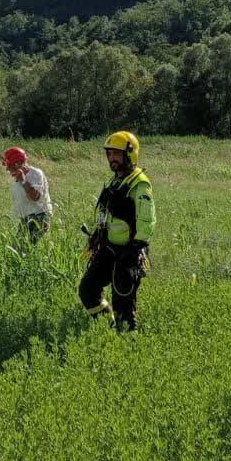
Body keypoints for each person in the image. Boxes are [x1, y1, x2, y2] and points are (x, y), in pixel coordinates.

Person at [79, 130, 155, 331]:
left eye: (116, 154)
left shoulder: (140, 184)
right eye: (109, 154)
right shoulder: (114, 182)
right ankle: (108, 324)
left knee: (122, 297)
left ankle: (127, 337)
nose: (111, 158)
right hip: (109, 247)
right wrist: (98, 233)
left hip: (129, 251)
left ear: (130, 154)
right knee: (87, 289)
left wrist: (137, 247)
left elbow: (147, 219)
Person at [2, 146, 52, 242]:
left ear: (18, 164)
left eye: (10, 166)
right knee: (18, 248)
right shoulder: (18, 179)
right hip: (26, 219)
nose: (7, 169)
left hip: (39, 217)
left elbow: (35, 197)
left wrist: (23, 180)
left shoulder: (36, 174)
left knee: (26, 248)